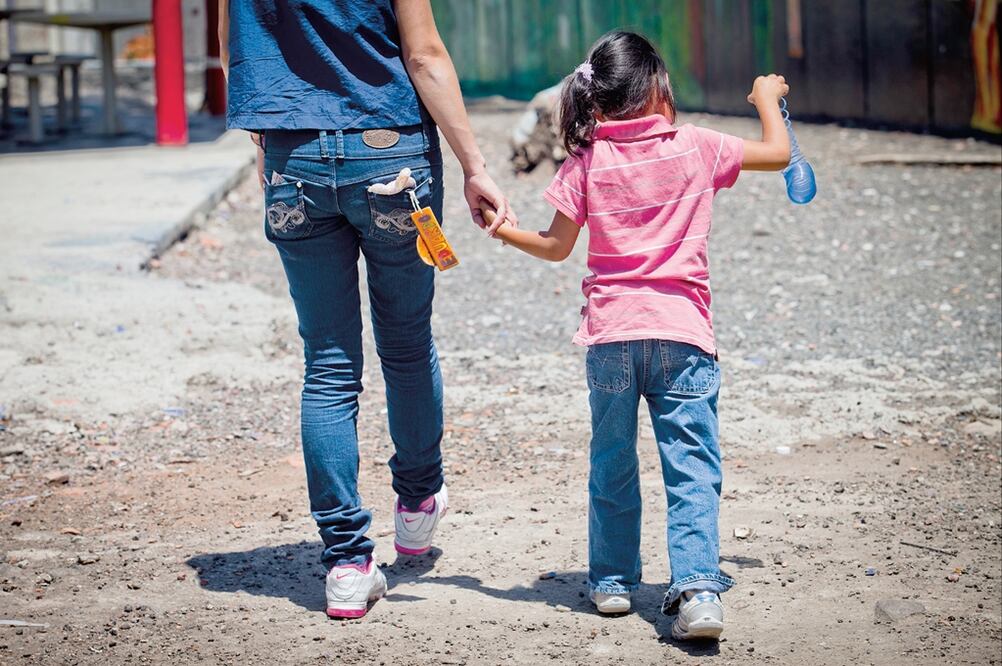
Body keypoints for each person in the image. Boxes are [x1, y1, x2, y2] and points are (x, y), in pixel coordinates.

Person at [483, 30, 791, 641]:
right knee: (691, 468)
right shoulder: (697, 146)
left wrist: (503, 229)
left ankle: (613, 583)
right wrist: (766, 97)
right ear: (658, 90)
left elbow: (555, 247)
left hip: (611, 338)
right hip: (683, 336)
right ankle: (700, 588)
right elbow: (778, 154)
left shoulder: (586, 160)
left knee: (612, 462)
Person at [218, 0, 515, 619]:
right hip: (389, 152)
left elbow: (235, 53)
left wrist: (273, 143)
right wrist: (475, 165)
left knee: (327, 365)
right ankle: (416, 507)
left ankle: (348, 564)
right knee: (405, 344)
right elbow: (425, 53)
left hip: (291, 158)